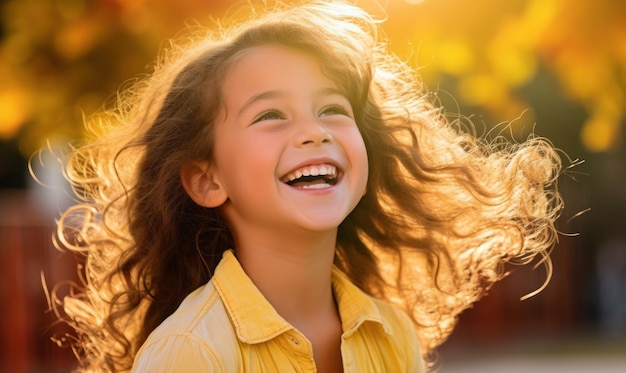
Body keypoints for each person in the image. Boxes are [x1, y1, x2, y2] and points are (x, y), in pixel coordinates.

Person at [52, 0, 564, 372]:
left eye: (332, 110)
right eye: (271, 114)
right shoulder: (192, 352)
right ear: (207, 179)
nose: (315, 131)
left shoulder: (391, 335)